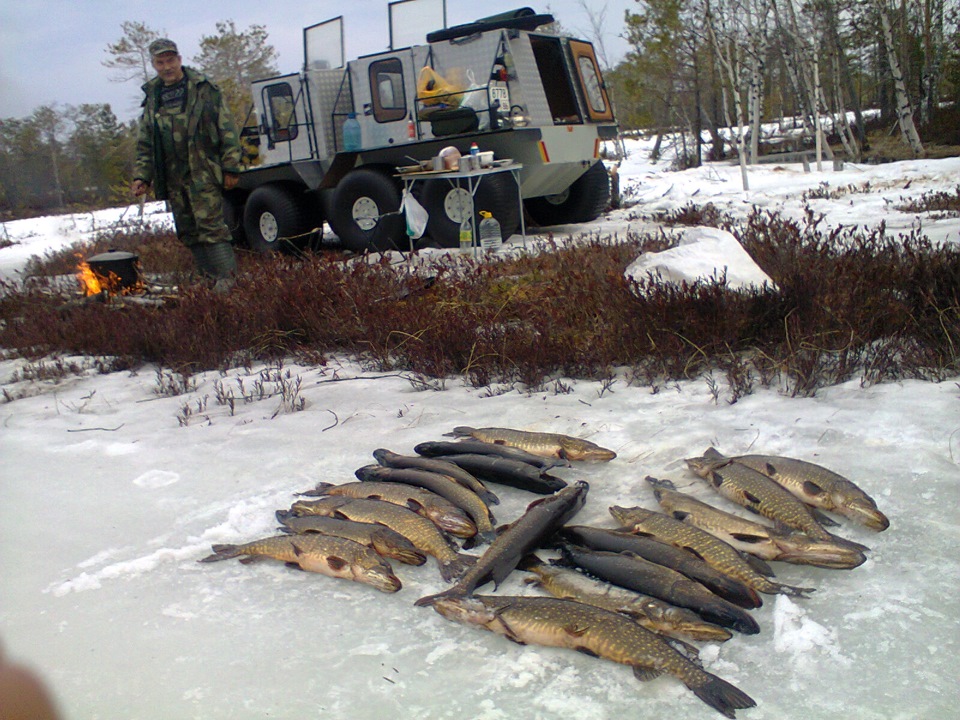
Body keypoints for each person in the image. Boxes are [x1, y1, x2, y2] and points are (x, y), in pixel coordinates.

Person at [131, 38, 243, 290]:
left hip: (203, 170)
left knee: (211, 225)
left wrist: (231, 166)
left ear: (179, 59)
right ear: (154, 65)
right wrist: (142, 176)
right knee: (188, 229)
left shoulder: (204, 89)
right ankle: (207, 278)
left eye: (171, 60)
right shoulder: (152, 97)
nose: (167, 66)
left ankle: (227, 279)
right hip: (172, 176)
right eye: (160, 62)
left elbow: (226, 128)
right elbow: (146, 142)